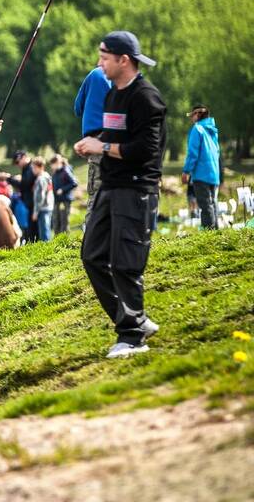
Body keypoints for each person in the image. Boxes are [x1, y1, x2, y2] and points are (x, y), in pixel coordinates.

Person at [74, 31, 166, 359]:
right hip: (110, 187)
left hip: (136, 189)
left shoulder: (146, 98)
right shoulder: (113, 94)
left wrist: (105, 146)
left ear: (123, 60)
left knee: (126, 263)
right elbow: (113, 136)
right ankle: (135, 320)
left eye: (104, 57)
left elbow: (146, 150)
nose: (99, 63)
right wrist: (94, 145)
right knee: (92, 255)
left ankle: (132, 337)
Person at [73, 66, 113, 221]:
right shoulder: (124, 77)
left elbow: (78, 107)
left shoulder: (94, 74)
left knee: (96, 193)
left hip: (96, 139)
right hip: (120, 140)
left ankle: (91, 239)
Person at [182, 104, 221, 229]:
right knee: (213, 204)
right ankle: (216, 233)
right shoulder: (212, 130)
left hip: (201, 174)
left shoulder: (197, 129)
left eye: (192, 115)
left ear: (198, 115)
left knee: (205, 205)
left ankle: (208, 237)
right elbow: (217, 152)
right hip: (214, 174)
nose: (191, 118)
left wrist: (186, 171)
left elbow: (193, 153)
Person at [49, 154, 78, 235]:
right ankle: (57, 240)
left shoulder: (65, 171)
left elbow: (74, 183)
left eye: (52, 164)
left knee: (63, 221)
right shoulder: (55, 172)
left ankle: (64, 240)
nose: (51, 167)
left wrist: (63, 189)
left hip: (64, 200)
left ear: (57, 162)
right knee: (56, 221)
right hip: (57, 200)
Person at [14, 151, 38, 242]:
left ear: (23, 157)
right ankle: (32, 243)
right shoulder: (25, 168)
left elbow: (26, 184)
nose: (17, 165)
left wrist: (11, 180)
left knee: (34, 227)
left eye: (17, 162)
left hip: (34, 202)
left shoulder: (31, 167)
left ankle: (35, 244)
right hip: (28, 202)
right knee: (30, 226)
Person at [31, 157, 54, 242]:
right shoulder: (47, 176)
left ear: (40, 167)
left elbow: (40, 197)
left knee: (44, 232)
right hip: (48, 206)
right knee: (46, 229)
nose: (33, 170)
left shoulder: (41, 179)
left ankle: (47, 250)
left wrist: (35, 212)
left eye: (34, 168)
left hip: (43, 208)